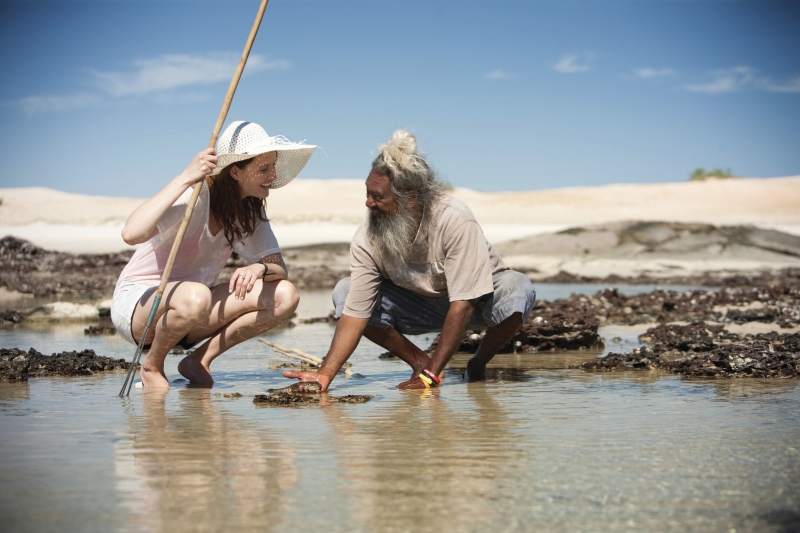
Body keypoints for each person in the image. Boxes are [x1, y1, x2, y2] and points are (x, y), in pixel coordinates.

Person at [283, 130, 535, 391]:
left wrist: (430, 378)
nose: (368, 203)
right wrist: (325, 373)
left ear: (411, 198)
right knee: (345, 291)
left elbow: (464, 304)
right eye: (367, 193)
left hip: (477, 302)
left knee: (518, 287)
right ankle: (419, 362)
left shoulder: (454, 218)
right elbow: (356, 312)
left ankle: (477, 364)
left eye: (378, 196)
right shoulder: (367, 238)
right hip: (418, 308)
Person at [111, 121, 315, 389]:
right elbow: (131, 233)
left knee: (285, 295)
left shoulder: (249, 212)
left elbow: (279, 269)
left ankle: (199, 360)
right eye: (264, 169)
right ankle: (151, 366)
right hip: (142, 306)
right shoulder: (195, 196)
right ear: (235, 172)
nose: (273, 175)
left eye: (273, 166)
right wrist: (186, 177)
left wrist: (260, 268)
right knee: (197, 296)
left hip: (194, 312)